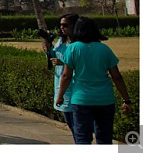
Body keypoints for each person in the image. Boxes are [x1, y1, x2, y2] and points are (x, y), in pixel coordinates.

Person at [56, 16, 133, 144]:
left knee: (83, 138)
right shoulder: (104, 49)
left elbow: (66, 76)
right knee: (104, 138)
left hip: (81, 100)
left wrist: (60, 96)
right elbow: (117, 76)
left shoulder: (73, 48)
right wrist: (126, 99)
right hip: (105, 99)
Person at [42, 13, 79, 134]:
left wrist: (63, 62)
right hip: (61, 84)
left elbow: (80, 63)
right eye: (61, 25)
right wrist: (48, 44)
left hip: (74, 85)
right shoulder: (61, 42)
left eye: (65, 25)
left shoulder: (78, 44)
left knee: (77, 124)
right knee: (70, 121)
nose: (62, 28)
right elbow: (52, 56)